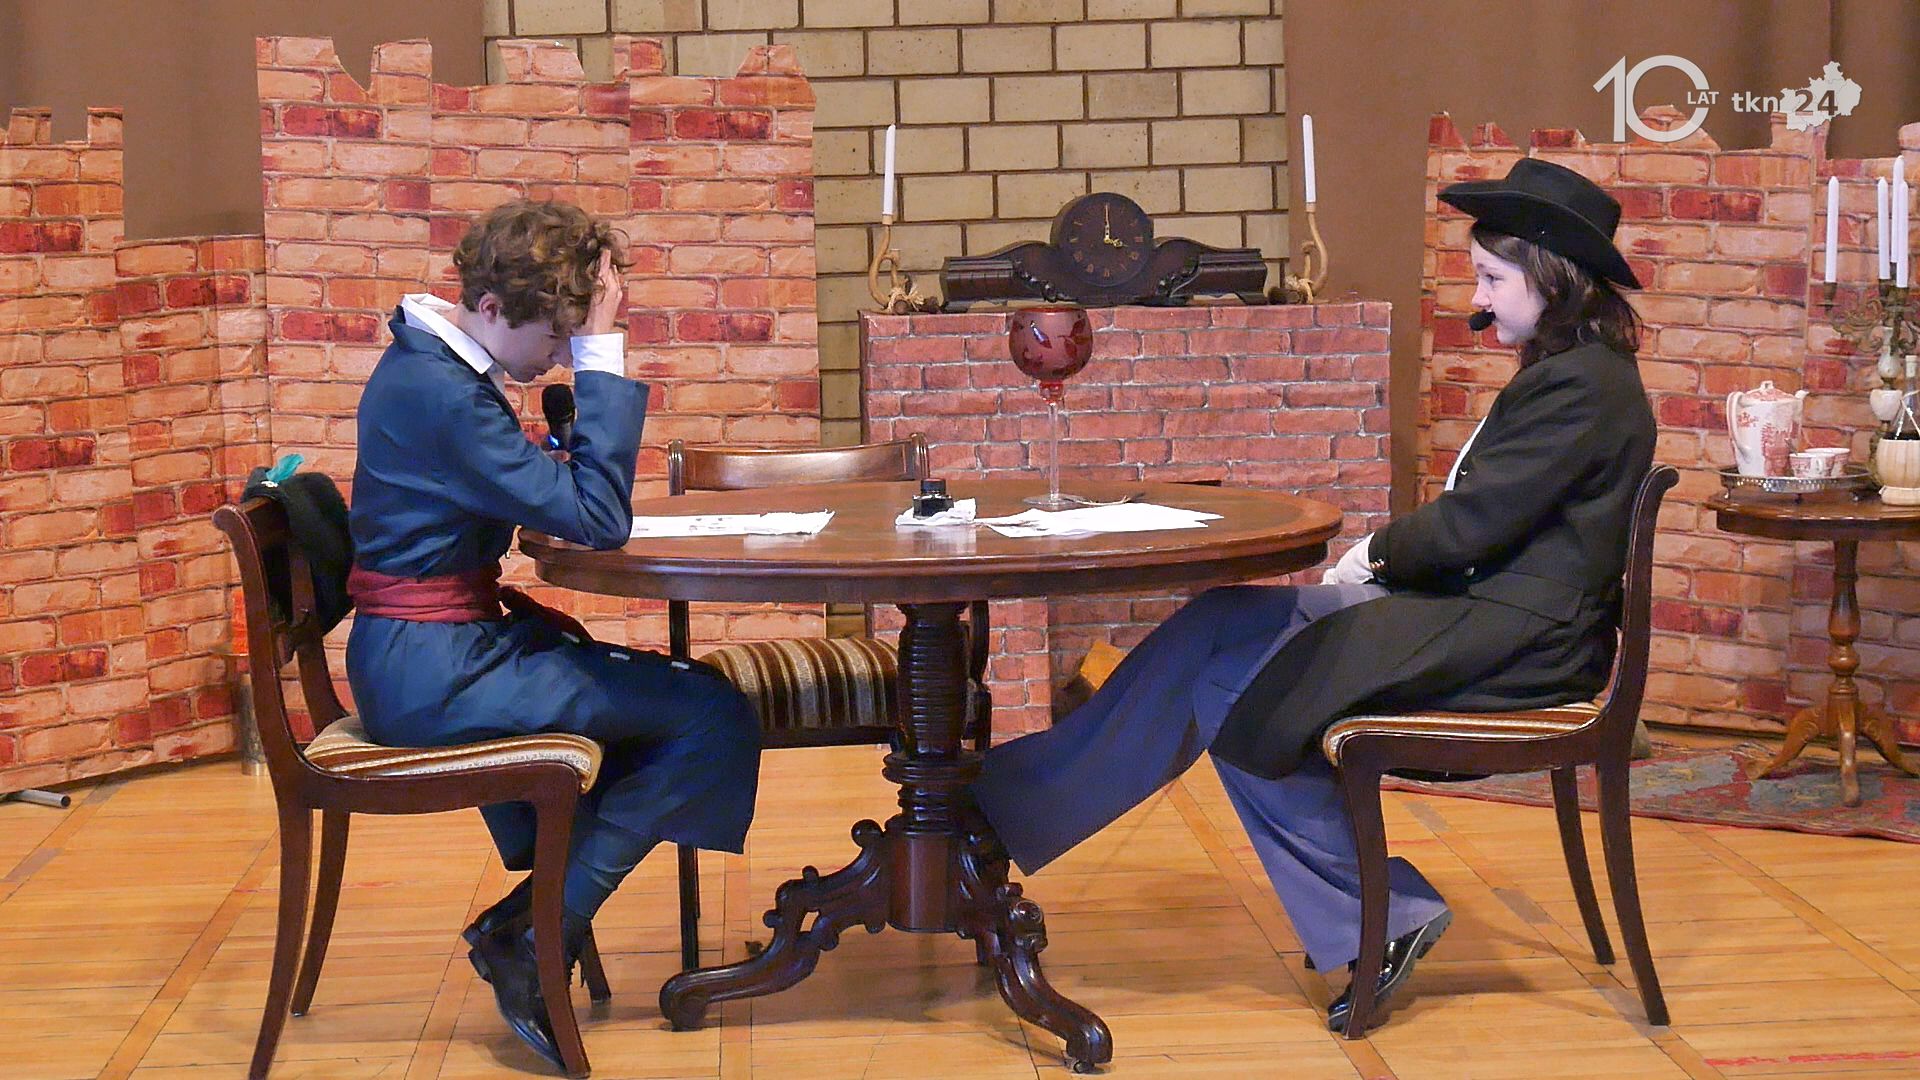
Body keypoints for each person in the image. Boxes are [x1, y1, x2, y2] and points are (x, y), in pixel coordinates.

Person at [972, 158, 1655, 1034]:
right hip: (1478, 609)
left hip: (1513, 638)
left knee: (1238, 693)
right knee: (1219, 620)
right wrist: (1383, 565)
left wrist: (1373, 555)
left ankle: (1386, 916)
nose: (1478, 299)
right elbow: (1485, 526)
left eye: (1492, 278)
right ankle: (1000, 812)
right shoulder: (1571, 372)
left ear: (1550, 277)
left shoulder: (1583, 386)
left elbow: (1472, 528)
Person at [343, 199, 761, 1068]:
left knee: (690, 702)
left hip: (431, 653)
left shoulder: (434, 370)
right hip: (433, 671)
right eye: (557, 337)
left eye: (575, 339)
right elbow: (598, 519)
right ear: (493, 308)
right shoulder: (441, 394)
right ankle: (533, 936)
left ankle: (533, 922)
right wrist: (606, 348)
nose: (562, 356)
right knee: (708, 712)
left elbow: (553, 500)